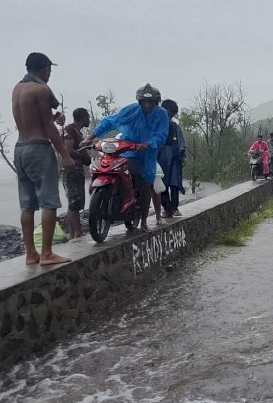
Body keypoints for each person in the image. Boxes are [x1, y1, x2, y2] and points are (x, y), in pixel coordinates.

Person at [12, 52, 76, 265]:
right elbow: (48, 126)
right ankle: (47, 253)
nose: (50, 74)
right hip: (39, 149)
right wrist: (65, 155)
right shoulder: (41, 89)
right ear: (44, 69)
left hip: (21, 148)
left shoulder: (18, 88)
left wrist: (53, 117)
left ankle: (31, 253)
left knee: (27, 204)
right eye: (49, 70)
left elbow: (36, 117)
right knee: (49, 202)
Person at [82, 83, 169, 232]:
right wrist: (90, 137)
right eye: (144, 102)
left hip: (147, 152)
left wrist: (149, 143)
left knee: (145, 183)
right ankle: (116, 196)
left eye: (151, 102)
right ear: (139, 102)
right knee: (116, 167)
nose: (147, 105)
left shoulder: (161, 114)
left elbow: (161, 134)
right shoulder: (132, 110)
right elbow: (111, 121)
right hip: (128, 148)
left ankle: (143, 221)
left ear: (156, 102)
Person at [61, 108, 91, 238]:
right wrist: (83, 156)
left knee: (74, 202)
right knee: (74, 201)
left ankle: (73, 233)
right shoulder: (70, 129)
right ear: (83, 118)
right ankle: (78, 232)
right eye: (88, 117)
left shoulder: (77, 132)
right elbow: (68, 149)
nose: (89, 120)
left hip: (77, 169)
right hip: (72, 169)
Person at [158, 99, 186, 218]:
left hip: (174, 160)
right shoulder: (156, 126)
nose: (170, 116)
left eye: (172, 114)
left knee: (174, 184)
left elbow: (181, 143)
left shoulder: (175, 126)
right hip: (160, 160)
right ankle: (166, 209)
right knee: (160, 184)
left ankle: (174, 208)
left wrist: (183, 156)